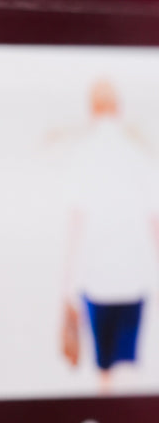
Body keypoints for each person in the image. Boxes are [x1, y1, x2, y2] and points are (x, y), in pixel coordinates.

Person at [60, 79, 159, 392]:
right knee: (127, 364)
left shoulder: (84, 155)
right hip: (135, 277)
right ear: (119, 107)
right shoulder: (137, 153)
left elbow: (75, 225)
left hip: (97, 279)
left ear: (91, 109)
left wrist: (66, 287)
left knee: (103, 370)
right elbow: (153, 221)